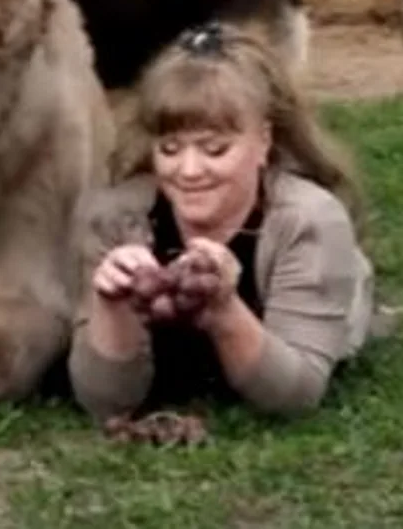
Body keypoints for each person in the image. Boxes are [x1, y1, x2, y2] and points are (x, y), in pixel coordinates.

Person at [68, 21, 377, 423]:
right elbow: (106, 402)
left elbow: (295, 396)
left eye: (214, 149)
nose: (189, 170)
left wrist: (223, 309)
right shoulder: (114, 219)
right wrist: (112, 308)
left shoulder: (307, 220)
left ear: (263, 141)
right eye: (170, 148)